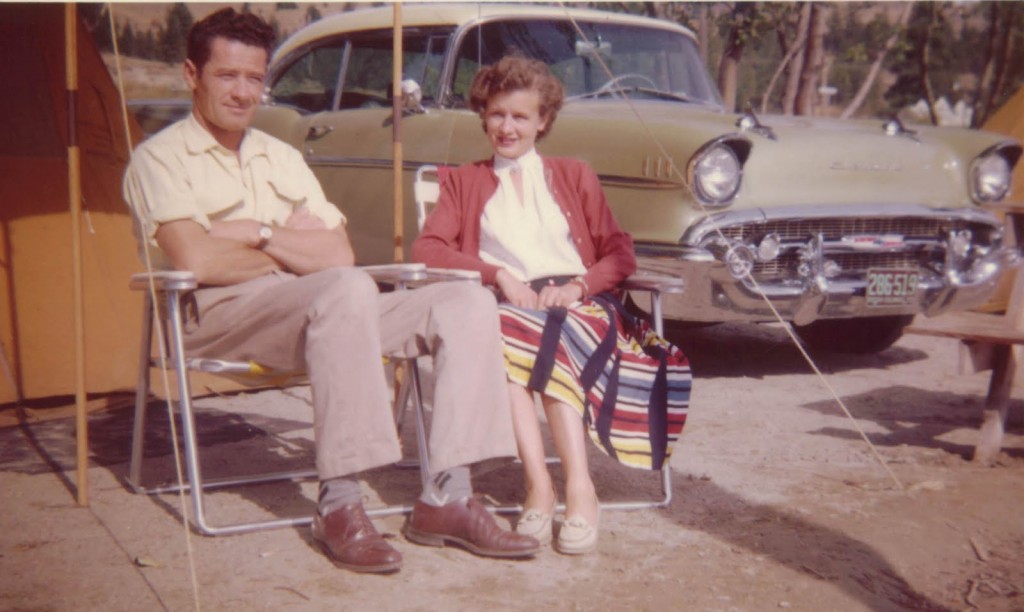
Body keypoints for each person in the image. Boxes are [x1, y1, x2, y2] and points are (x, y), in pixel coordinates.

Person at [122, 9, 539, 574]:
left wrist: (258, 232)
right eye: (227, 76)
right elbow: (196, 258)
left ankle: (447, 497)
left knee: (463, 299)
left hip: (320, 307)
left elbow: (337, 253)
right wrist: (292, 243)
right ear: (191, 74)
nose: (244, 92)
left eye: (254, 78)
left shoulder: (281, 157)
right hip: (217, 315)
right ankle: (340, 504)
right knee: (344, 289)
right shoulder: (159, 158)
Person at [413, 56, 692, 555]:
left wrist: (578, 288)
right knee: (508, 330)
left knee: (550, 329)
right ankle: (540, 483)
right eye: (497, 115)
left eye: (521, 117)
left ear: (543, 120)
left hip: (581, 305)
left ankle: (581, 487)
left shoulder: (573, 174)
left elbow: (619, 252)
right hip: (508, 302)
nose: (507, 127)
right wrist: (498, 274)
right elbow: (428, 249)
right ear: (484, 116)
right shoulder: (463, 181)